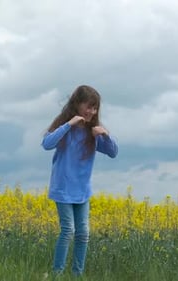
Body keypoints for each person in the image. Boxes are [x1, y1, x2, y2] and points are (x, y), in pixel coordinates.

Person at [42, 85, 118, 276]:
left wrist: (105, 135)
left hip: (82, 191)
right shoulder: (65, 127)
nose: (92, 111)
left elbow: (113, 153)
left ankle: (78, 274)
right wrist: (68, 125)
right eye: (89, 107)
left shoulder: (92, 133)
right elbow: (46, 144)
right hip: (63, 188)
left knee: (83, 234)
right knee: (68, 231)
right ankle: (57, 274)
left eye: (95, 108)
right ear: (77, 104)